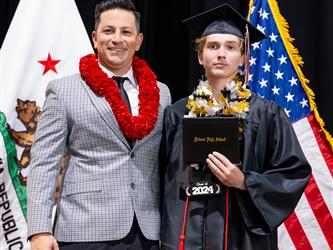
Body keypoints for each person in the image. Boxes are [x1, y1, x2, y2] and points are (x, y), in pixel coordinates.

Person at [160, 4, 311, 250]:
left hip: (242, 239)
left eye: (231, 47)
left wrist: (244, 181)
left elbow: (293, 172)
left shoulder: (266, 114)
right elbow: (163, 176)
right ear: (200, 56)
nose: (221, 54)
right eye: (212, 46)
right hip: (185, 235)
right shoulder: (177, 114)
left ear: (243, 57)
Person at [27, 0, 171, 249]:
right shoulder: (64, 90)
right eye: (108, 31)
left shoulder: (161, 92)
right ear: (95, 38)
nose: (117, 39)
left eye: (126, 32)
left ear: (138, 41)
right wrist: (39, 229)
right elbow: (43, 162)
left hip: (147, 231)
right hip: (85, 229)